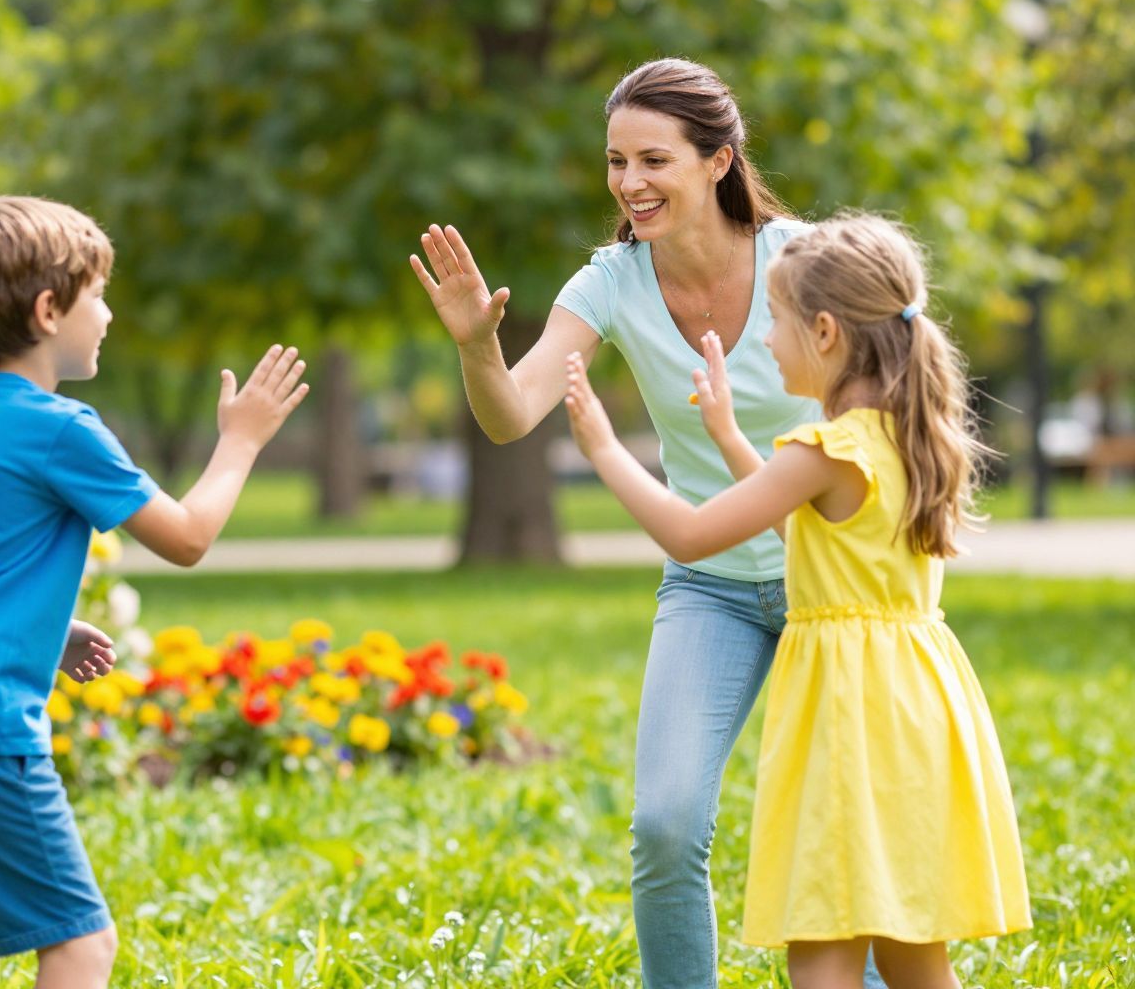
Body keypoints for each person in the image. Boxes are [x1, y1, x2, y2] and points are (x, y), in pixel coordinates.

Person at [411, 58, 877, 987]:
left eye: (654, 159)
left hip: (832, 587)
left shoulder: (807, 261)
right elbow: (512, 414)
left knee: (840, 833)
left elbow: (886, 405)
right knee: (665, 823)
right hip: (709, 585)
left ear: (719, 161)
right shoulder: (611, 282)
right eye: (617, 161)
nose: (630, 183)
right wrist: (475, 346)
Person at [0, 195, 309, 988]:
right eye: (97, 293)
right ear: (49, 309)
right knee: (80, 946)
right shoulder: (63, 428)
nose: (108, 311)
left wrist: (43, 634)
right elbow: (188, 538)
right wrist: (240, 441)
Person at [562, 212, 1031, 988]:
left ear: (822, 332)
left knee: (823, 945)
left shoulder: (822, 449)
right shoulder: (901, 435)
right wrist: (728, 436)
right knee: (914, 954)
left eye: (775, 325)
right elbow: (808, 533)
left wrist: (605, 450)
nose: (766, 343)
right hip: (917, 711)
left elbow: (689, 534)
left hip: (849, 722)